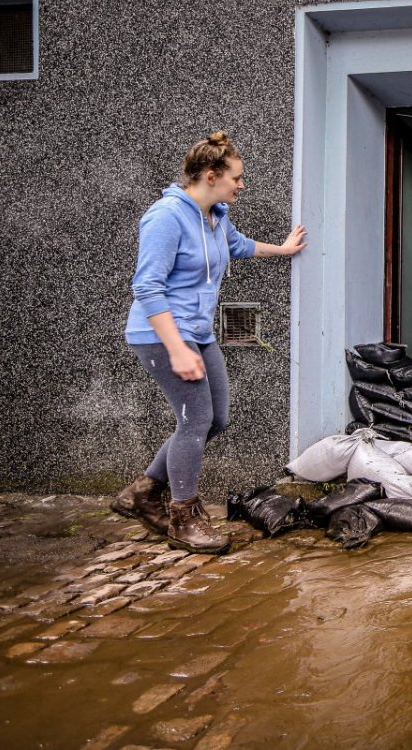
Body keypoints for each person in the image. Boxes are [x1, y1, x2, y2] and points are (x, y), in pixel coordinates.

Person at [113, 132, 307, 554]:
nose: (241, 185)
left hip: (198, 332)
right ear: (210, 175)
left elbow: (237, 246)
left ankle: (143, 492)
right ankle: (183, 517)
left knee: (216, 418)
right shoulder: (166, 217)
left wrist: (283, 249)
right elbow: (147, 287)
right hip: (161, 334)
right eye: (236, 177)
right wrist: (176, 349)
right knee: (195, 420)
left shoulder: (214, 217)